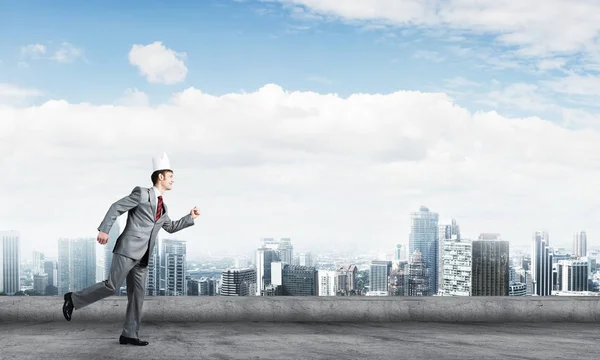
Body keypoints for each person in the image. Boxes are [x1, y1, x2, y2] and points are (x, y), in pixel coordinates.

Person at [62, 152, 200, 346]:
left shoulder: (164, 208)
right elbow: (116, 207)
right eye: (171, 177)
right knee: (112, 286)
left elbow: (170, 227)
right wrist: (104, 229)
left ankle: (129, 334)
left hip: (143, 257)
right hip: (127, 249)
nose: (173, 181)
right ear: (160, 177)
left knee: (137, 296)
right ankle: (73, 299)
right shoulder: (142, 194)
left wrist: (190, 217)